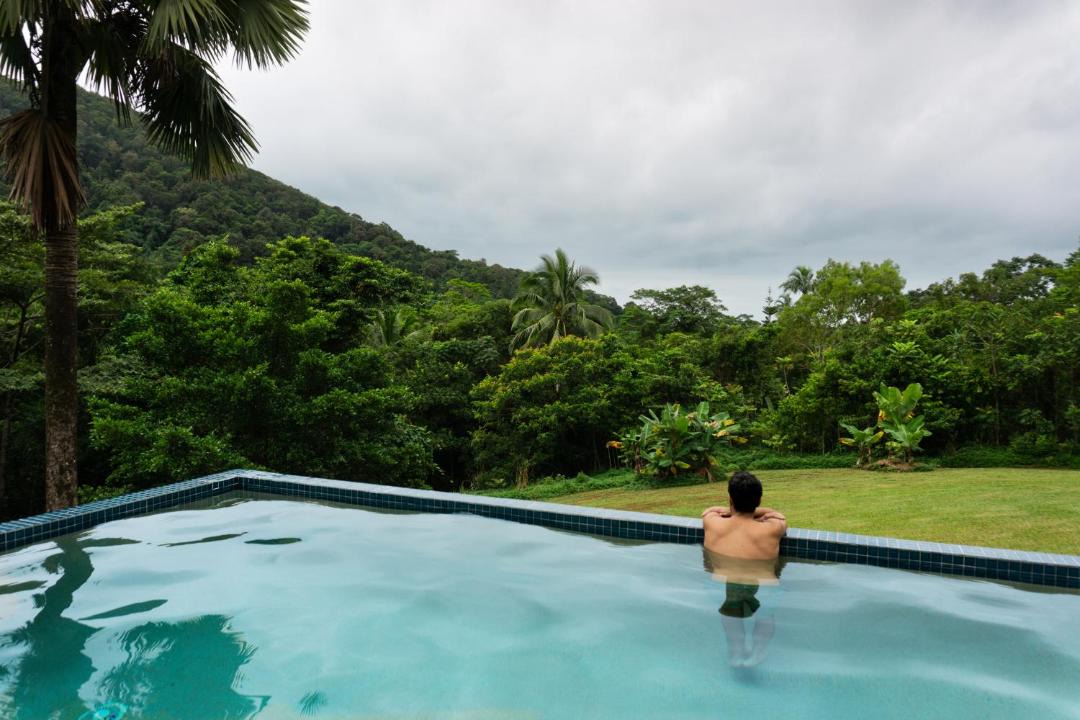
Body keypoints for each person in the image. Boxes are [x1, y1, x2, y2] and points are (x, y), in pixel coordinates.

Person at [701, 471, 787, 667]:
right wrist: (757, 509)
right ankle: (758, 653)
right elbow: (778, 516)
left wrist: (731, 509)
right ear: (758, 500)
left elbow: (708, 511)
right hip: (765, 584)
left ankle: (736, 651)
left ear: (730, 499)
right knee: (766, 616)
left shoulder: (713, 524)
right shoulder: (772, 528)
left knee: (730, 614)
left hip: (723, 581)